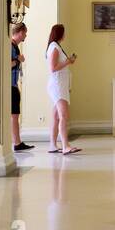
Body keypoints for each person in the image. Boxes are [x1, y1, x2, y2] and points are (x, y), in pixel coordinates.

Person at [46, 24, 80, 155]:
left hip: (60, 85)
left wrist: (68, 61)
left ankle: (53, 145)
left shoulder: (56, 46)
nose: (65, 34)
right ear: (60, 33)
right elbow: (53, 68)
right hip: (58, 86)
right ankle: (65, 146)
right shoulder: (54, 47)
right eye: (64, 32)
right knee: (63, 115)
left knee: (56, 116)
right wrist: (68, 61)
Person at [10, 23, 34, 152]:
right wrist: (19, 60)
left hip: (14, 84)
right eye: (25, 32)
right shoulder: (11, 46)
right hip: (10, 85)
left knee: (15, 115)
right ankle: (17, 143)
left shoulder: (14, 46)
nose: (25, 35)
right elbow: (6, 64)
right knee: (14, 115)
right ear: (20, 32)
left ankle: (17, 141)